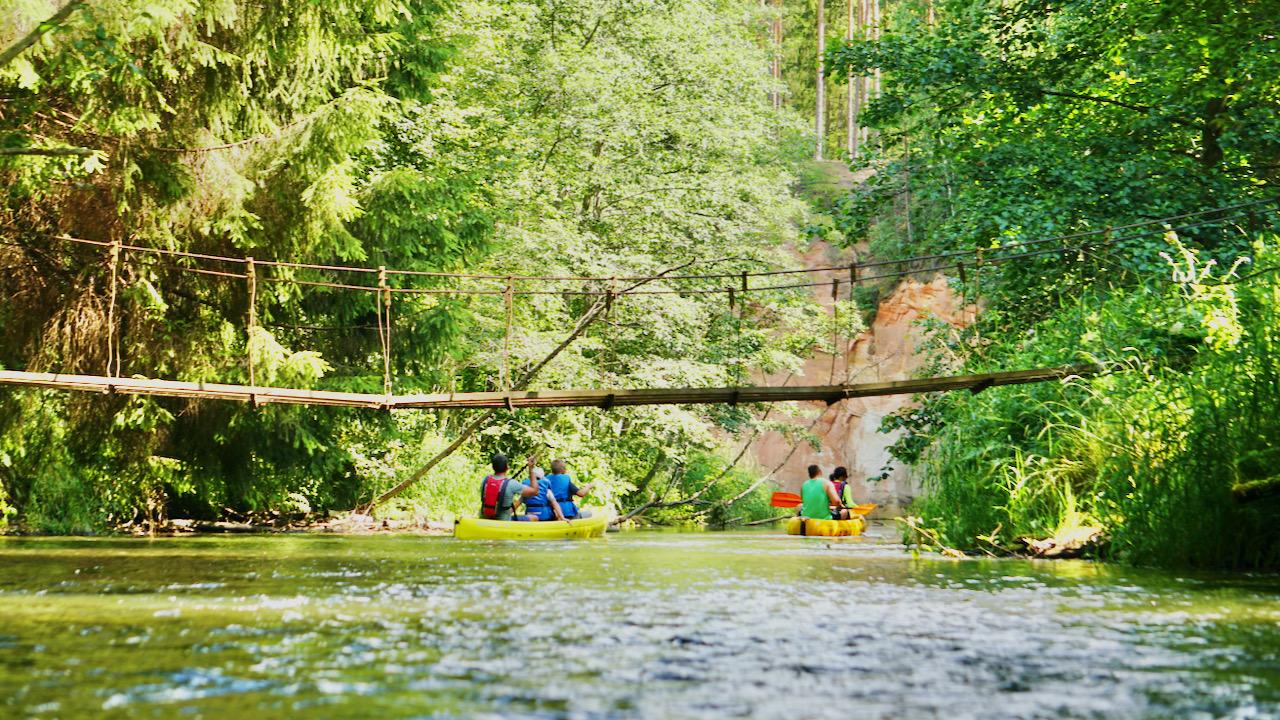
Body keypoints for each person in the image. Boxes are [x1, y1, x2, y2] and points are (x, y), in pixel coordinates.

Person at [479, 454, 540, 521]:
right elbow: (535, 491)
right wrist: (531, 468)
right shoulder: (511, 484)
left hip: (485, 520)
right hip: (504, 523)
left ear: (493, 467)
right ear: (507, 467)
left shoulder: (485, 480)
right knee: (534, 518)